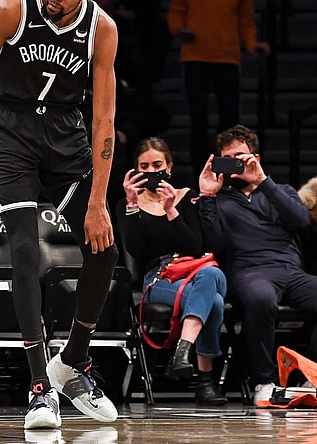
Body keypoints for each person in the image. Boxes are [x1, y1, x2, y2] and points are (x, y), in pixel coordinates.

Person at [0, 0, 120, 429]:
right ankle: (40, 386)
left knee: (105, 249)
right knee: (25, 250)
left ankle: (71, 360)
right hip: (10, 131)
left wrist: (98, 203)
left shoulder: (101, 28)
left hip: (65, 135)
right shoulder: (10, 9)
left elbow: (104, 118)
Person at [197, 124, 317, 406]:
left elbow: (301, 221)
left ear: (254, 157)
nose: (235, 165)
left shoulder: (279, 190)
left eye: (241, 157)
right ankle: (264, 381)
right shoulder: (217, 200)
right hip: (247, 271)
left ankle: (312, 377)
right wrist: (207, 197)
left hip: (291, 271)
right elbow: (214, 246)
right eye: (228, 158)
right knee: (261, 298)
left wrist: (263, 182)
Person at [117, 137, 227, 406]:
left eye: (157, 164)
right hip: (159, 277)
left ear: (169, 166)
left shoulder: (185, 197)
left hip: (195, 270)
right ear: (136, 170)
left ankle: (183, 350)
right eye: (145, 166)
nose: (152, 171)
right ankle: (204, 380)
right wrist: (132, 205)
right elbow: (137, 250)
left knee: (211, 276)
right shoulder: (126, 205)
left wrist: (171, 211)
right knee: (213, 300)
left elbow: (195, 246)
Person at [167, 0, 270, 181]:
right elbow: (176, 12)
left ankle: (227, 176)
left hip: (227, 58)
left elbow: (246, 19)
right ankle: (201, 177)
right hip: (195, 57)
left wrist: (252, 43)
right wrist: (179, 29)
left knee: (229, 122)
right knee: (199, 121)